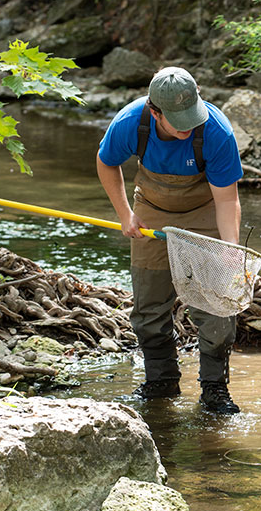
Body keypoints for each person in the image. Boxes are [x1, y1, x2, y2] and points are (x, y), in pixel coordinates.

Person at [97, 66, 244, 415]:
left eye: (190, 117)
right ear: (154, 111)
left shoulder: (216, 131)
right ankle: (161, 381)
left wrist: (230, 249)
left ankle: (214, 389)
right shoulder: (129, 123)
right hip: (151, 209)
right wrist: (124, 214)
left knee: (217, 310)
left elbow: (227, 200)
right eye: (177, 120)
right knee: (148, 308)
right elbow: (106, 164)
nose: (187, 126)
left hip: (205, 212)